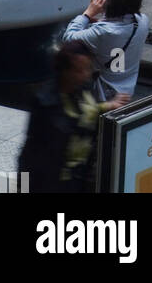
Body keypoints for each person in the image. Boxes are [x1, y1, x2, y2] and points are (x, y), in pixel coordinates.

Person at [18, 43, 129, 193]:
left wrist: (109, 106)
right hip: (49, 181)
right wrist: (23, 186)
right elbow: (31, 150)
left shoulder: (84, 89)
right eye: (79, 70)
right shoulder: (44, 101)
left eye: (88, 69)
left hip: (79, 176)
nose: (85, 75)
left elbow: (88, 111)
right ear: (65, 71)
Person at [62, 0, 149, 101]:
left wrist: (87, 14)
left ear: (111, 4)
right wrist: (101, 21)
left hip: (105, 94)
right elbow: (119, 29)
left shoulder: (103, 32)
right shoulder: (143, 21)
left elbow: (68, 38)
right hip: (127, 89)